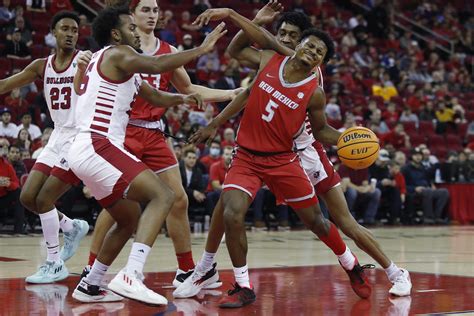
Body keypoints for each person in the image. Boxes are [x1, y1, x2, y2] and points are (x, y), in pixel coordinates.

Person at [174, 3, 411, 301]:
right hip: (261, 151)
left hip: (304, 152)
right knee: (228, 207)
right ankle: (211, 270)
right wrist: (254, 21)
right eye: (282, 34)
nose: (284, 39)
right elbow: (239, 62)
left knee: (339, 222)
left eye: (292, 35)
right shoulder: (273, 59)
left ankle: (393, 271)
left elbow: (321, 128)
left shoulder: (309, 77)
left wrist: (352, 140)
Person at [69, 6, 225, 304]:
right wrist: (201, 49)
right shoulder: (117, 53)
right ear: (116, 34)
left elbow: (154, 95)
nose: (136, 33)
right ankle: (131, 274)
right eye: (130, 27)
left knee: (127, 219)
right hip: (98, 144)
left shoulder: (123, 67)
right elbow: (158, 65)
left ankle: (91, 283)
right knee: (164, 196)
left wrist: (184, 97)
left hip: (88, 149)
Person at [0, 11, 92, 284]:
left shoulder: (84, 60)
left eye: (75, 30)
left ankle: (54, 263)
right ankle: (71, 227)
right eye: (64, 28)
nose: (70, 34)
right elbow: (6, 84)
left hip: (79, 136)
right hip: (58, 135)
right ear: (52, 31)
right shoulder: (43, 65)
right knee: (28, 197)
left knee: (44, 200)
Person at [402, 148, 450, 224]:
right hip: (414, 191)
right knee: (428, 191)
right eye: (416, 155)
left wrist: (431, 185)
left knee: (444, 192)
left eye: (419, 155)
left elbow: (427, 180)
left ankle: (438, 216)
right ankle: (428, 217)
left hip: (426, 189)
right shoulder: (406, 169)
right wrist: (414, 188)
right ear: (411, 156)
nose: (418, 157)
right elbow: (402, 185)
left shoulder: (423, 168)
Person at [0, 149, 25, 234]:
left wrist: (8, 184)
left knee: (18, 192)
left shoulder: (7, 165)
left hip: (3, 198)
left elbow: (16, 184)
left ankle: (18, 230)